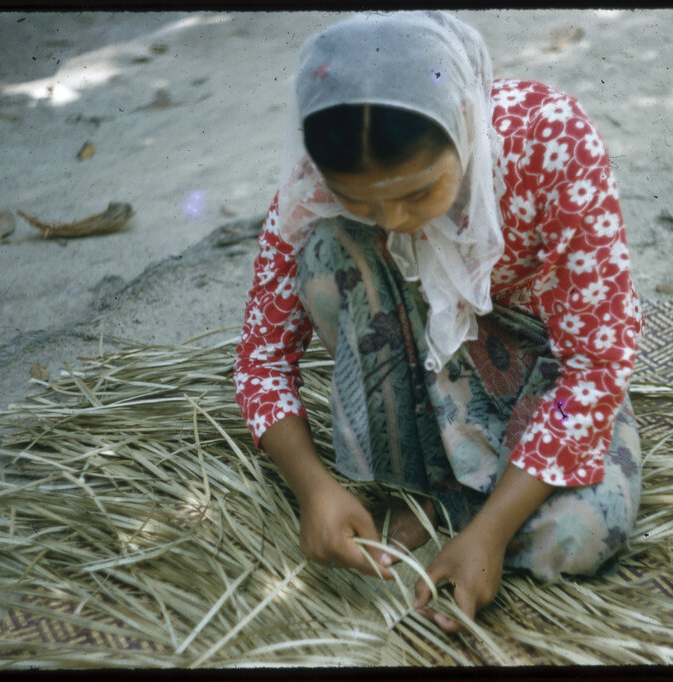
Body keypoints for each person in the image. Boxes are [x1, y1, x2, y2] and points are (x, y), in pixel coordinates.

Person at [234, 10, 644, 634]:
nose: (394, 221)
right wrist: (312, 486)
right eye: (362, 200)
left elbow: (594, 366)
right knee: (323, 251)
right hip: (415, 379)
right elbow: (261, 360)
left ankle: (465, 512)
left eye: (420, 193)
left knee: (582, 534)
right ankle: (421, 488)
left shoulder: (549, 143)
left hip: (543, 392)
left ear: (463, 123)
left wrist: (494, 530)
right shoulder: (313, 183)